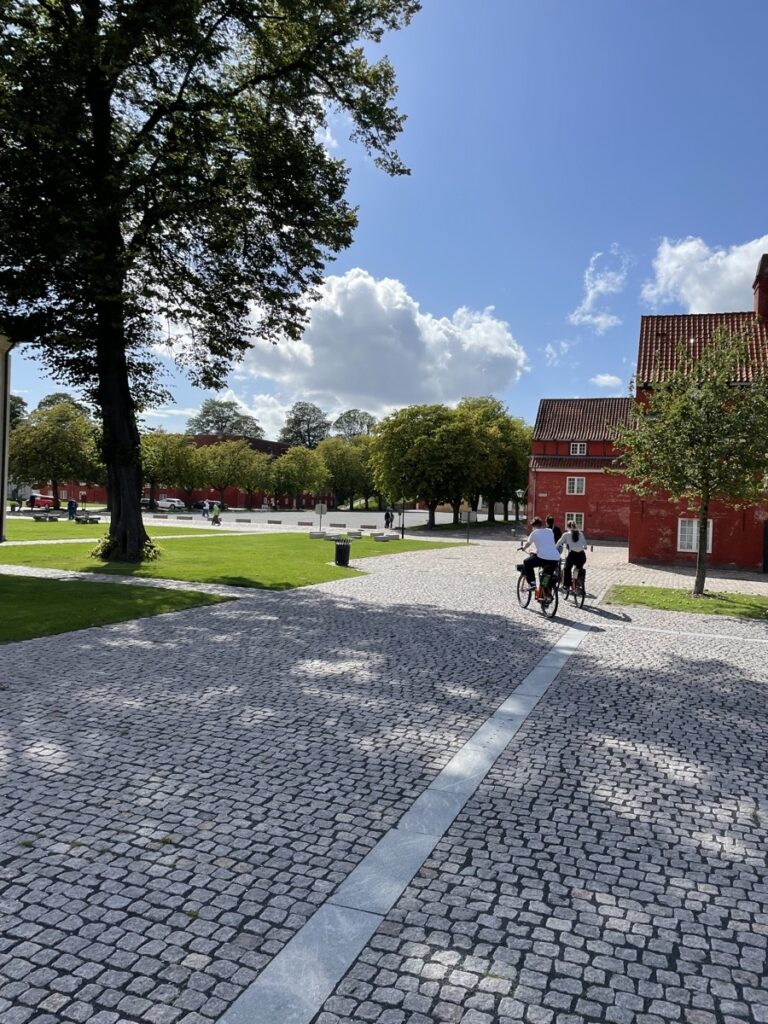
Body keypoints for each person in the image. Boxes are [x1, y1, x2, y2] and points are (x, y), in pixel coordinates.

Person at [520, 516, 561, 591]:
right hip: (555, 558)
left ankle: (532, 583)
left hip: (543, 557)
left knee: (526, 562)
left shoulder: (534, 533)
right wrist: (537, 551)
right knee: (546, 577)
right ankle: (546, 593)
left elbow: (528, 543)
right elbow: (546, 544)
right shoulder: (550, 531)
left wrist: (524, 548)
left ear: (534, 526)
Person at [557, 520, 587, 590]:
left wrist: (556, 547)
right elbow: (585, 545)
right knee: (579, 567)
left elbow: (558, 543)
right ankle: (578, 582)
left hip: (572, 555)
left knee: (567, 568)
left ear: (568, 527)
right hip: (582, 556)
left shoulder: (566, 534)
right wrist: (583, 547)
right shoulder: (581, 533)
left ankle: (567, 585)